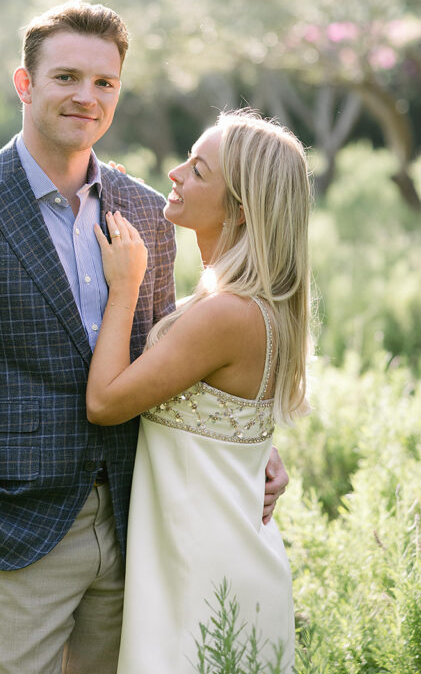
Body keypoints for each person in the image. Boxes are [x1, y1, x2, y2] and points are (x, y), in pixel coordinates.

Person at [0, 1, 289, 674]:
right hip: (11, 534)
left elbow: (168, 362)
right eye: (66, 76)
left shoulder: (148, 215)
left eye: (104, 82)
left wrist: (253, 446)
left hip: (140, 527)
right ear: (24, 84)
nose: (86, 97)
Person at [87, 109, 313, 674]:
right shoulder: (243, 302)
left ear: (239, 208)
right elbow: (222, 415)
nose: (175, 174)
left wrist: (126, 285)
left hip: (202, 577)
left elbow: (105, 402)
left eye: (199, 170)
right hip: (209, 557)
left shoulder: (227, 314)